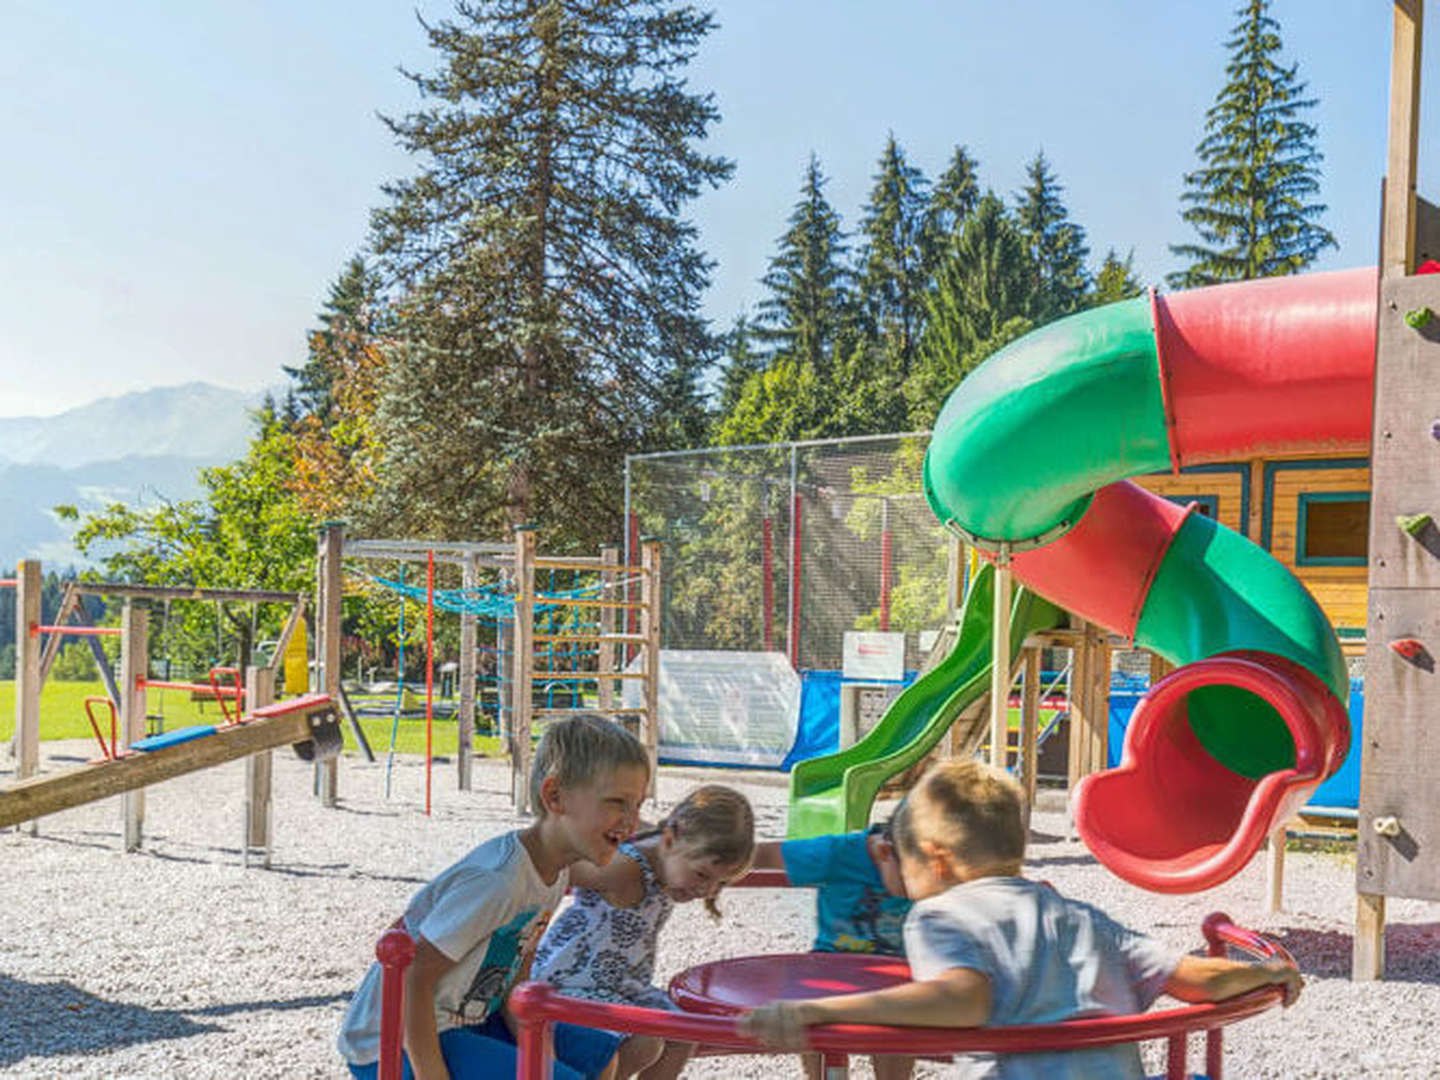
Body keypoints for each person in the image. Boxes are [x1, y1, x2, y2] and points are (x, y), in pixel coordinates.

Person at [741, 760, 1303, 1079]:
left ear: (936, 860)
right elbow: (1198, 978)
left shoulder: (939, 915)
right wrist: (1273, 970)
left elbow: (962, 999)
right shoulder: (1081, 916)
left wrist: (814, 1009)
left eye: (905, 858)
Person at [337, 713, 652, 1080]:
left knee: (599, 1058)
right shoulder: (499, 881)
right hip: (392, 1040)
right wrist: (432, 1076)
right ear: (555, 796)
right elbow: (415, 976)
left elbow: (517, 970)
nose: (632, 822)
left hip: (469, 1017)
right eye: (617, 802)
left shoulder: (556, 871)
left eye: (638, 805)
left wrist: (543, 1055)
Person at [533, 784, 756, 1080]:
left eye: (721, 883)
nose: (707, 890)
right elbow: (555, 868)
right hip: (572, 982)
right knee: (646, 1042)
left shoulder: (666, 850)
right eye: (702, 875)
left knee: (684, 1032)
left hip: (620, 985)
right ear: (668, 841)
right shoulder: (624, 870)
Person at [750, 821, 913, 1080]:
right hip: (831, 966)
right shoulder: (836, 853)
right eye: (912, 877)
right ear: (885, 851)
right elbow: (766, 854)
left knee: (898, 1020)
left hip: (894, 971)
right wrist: (719, 862)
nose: (920, 887)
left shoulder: (920, 858)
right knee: (805, 1010)